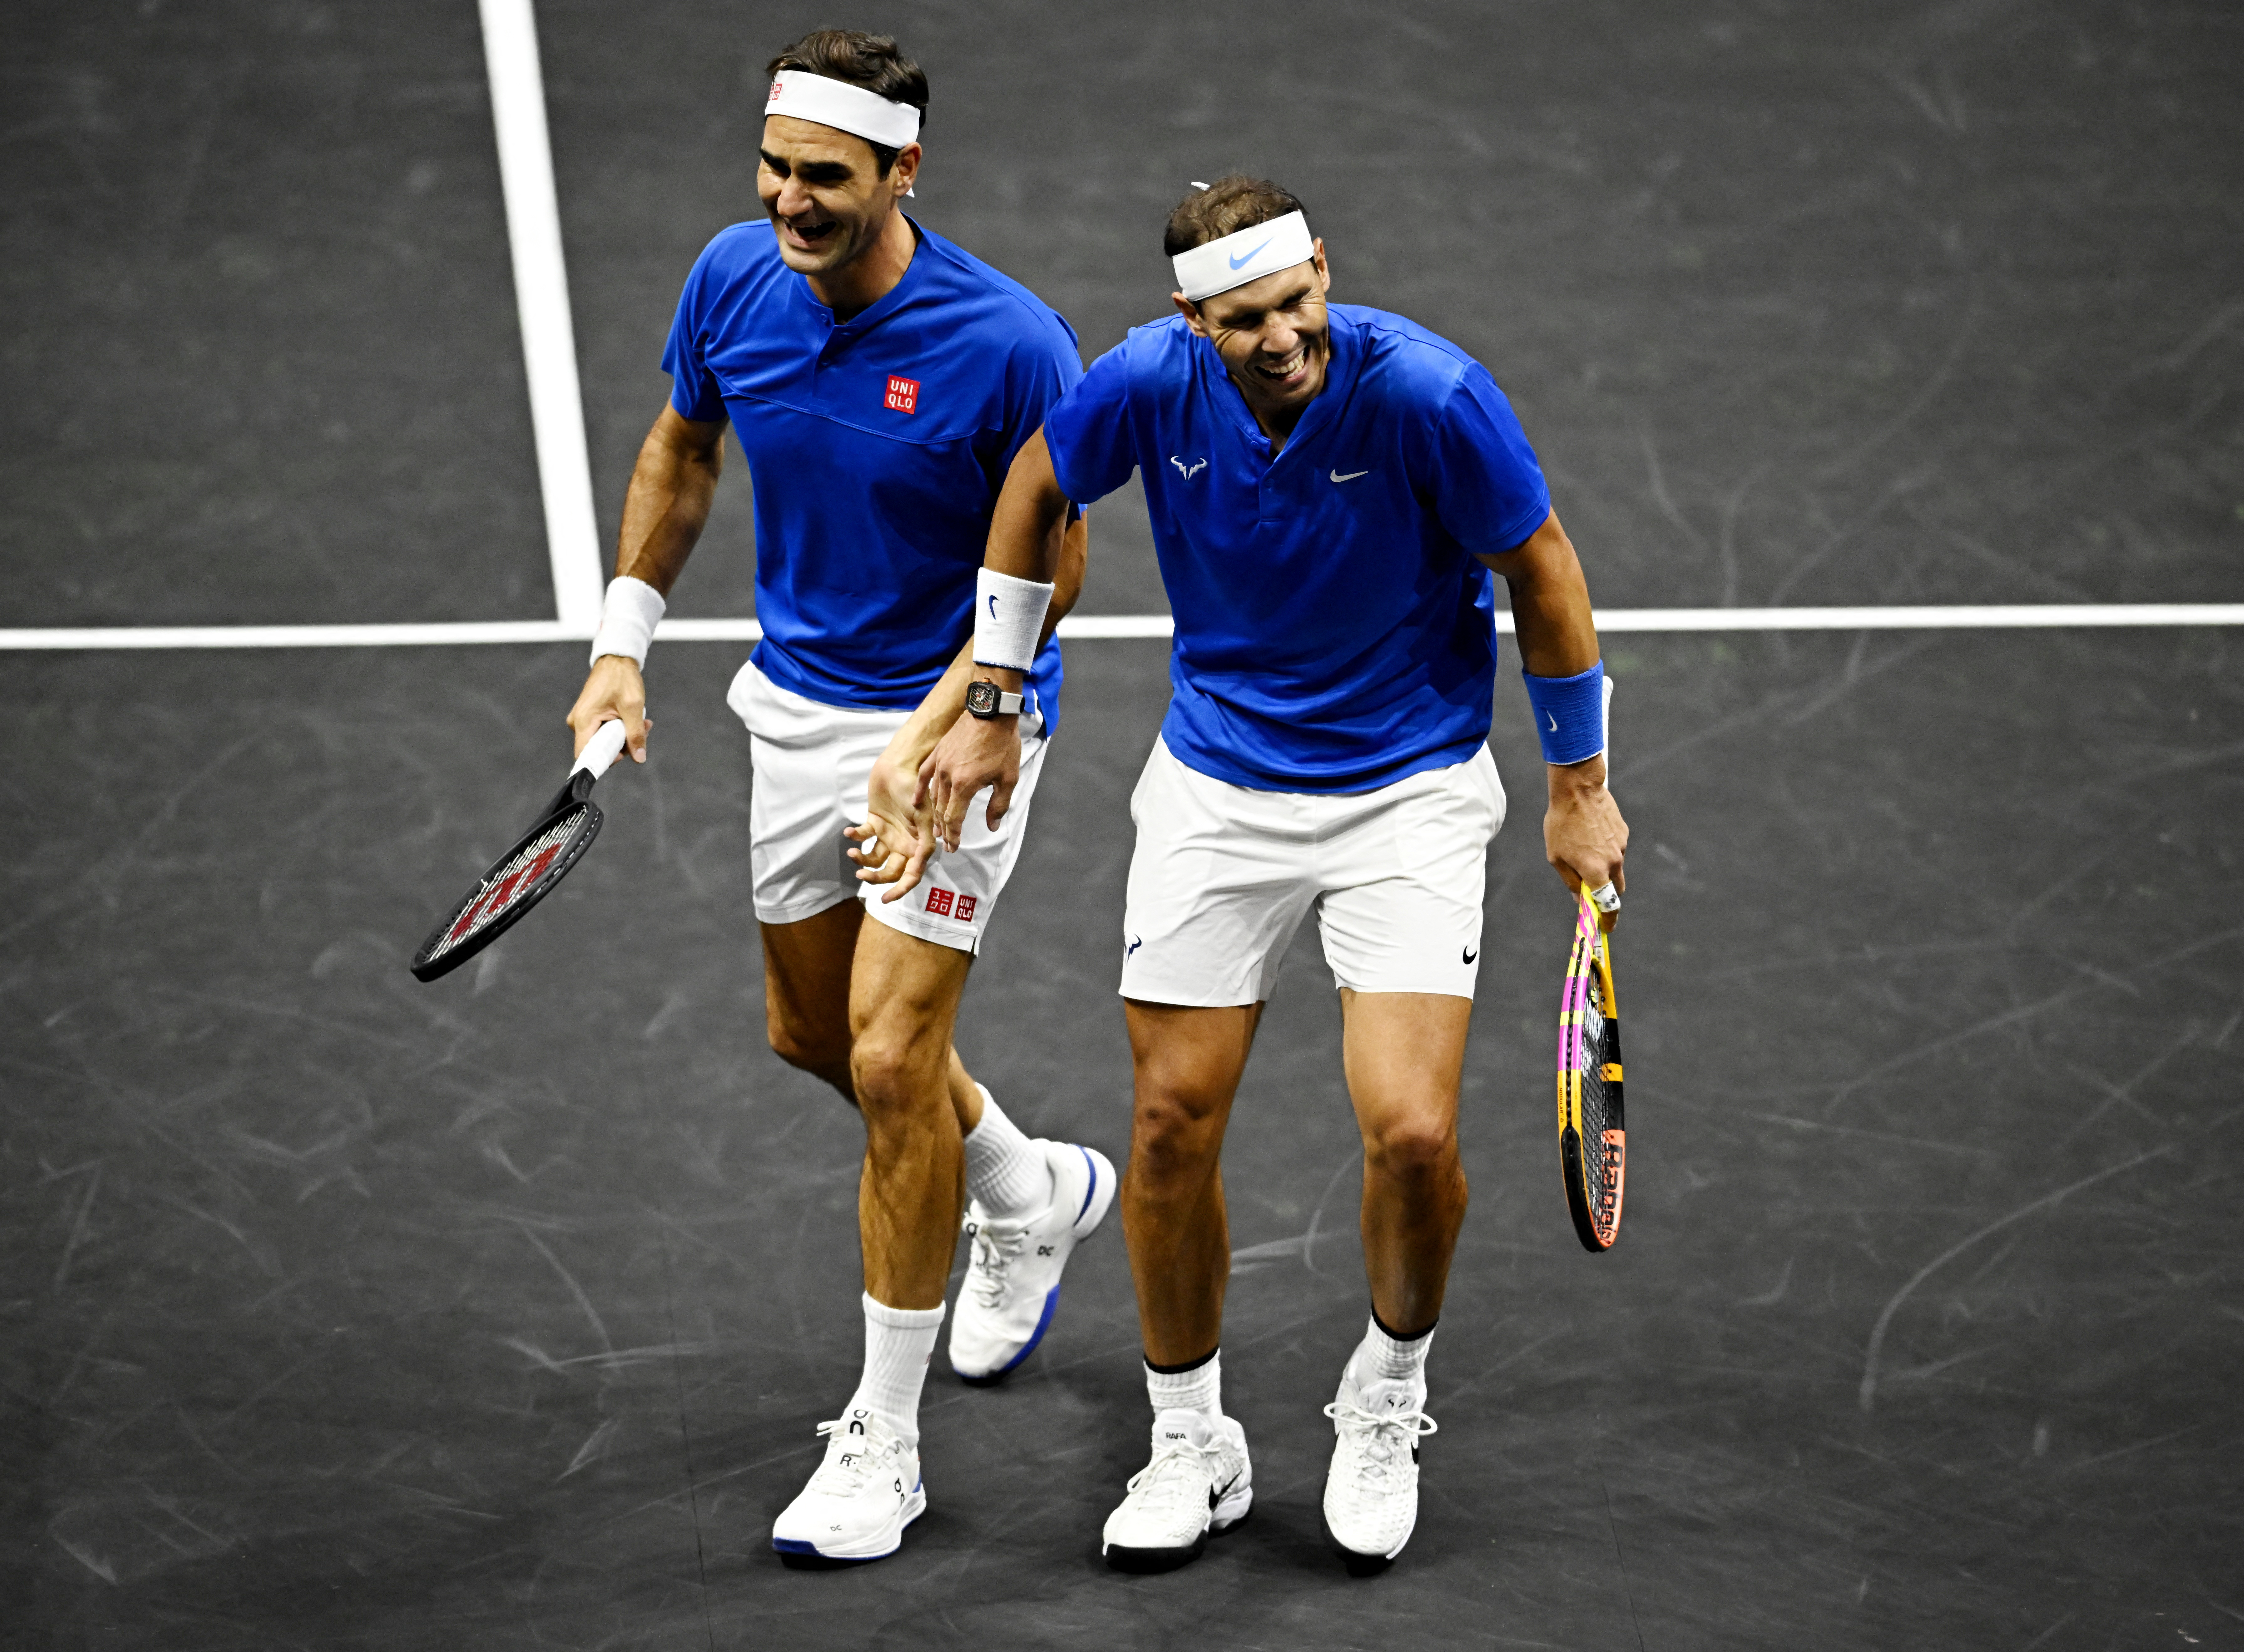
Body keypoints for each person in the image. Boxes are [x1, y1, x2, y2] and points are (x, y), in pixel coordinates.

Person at [912, 176, 1629, 1570]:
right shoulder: (1146, 382)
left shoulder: (1430, 393)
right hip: (1218, 792)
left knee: (1413, 1133)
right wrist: (994, 689)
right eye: (1247, 318)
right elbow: (1036, 484)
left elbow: (1539, 567)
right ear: (1195, 320)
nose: (1285, 334)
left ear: (1324, 276)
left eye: (1300, 301)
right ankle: (1191, 1434)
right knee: (1172, 1124)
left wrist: (1578, 786)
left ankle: (1389, 1392)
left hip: (1408, 793)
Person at [563, 30, 1114, 1565]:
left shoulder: (1012, 342)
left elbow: (1055, 558)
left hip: (964, 719)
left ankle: (886, 1436)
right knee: (808, 1033)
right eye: (777, 167)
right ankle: (1032, 1182)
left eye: (827, 177)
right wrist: (623, 648)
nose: (792, 199)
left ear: (901, 174)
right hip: (796, 710)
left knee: (888, 1059)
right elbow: (685, 446)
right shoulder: (732, 279)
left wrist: (960, 725)